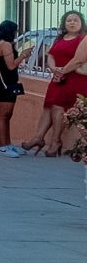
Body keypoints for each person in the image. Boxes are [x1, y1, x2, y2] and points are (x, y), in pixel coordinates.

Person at [35, 9, 87, 156]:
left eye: (75, 20)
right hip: (58, 78)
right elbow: (50, 55)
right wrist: (54, 69)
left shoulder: (83, 39)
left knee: (58, 107)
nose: (72, 23)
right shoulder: (59, 38)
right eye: (69, 20)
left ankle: (55, 142)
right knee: (49, 106)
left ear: (82, 23)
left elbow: (78, 60)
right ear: (64, 23)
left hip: (74, 78)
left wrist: (61, 71)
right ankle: (38, 138)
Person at [0, 19, 25, 155]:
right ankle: (2, 146)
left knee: (7, 116)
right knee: (3, 115)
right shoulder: (5, 45)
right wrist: (23, 55)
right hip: (4, 83)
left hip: (7, 82)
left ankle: (8, 144)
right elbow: (11, 66)